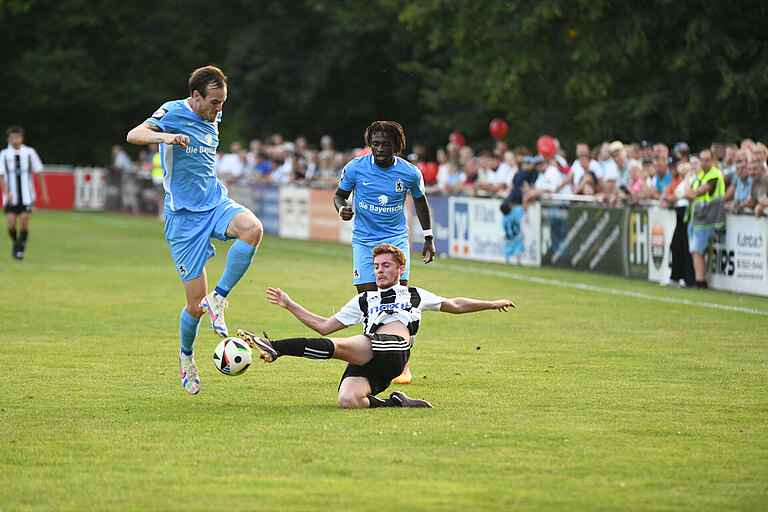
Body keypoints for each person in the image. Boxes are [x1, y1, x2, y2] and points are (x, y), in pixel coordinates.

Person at [236, 243, 514, 408]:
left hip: (394, 350)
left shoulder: (413, 294)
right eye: (377, 266)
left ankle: (275, 347)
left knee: (341, 346)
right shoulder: (364, 299)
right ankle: (396, 402)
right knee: (349, 399)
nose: (380, 270)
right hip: (370, 357)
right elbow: (324, 326)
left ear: (400, 269)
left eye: (386, 266)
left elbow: (454, 304)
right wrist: (290, 304)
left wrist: (491, 303)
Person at [126, 65, 264, 395]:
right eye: (214, 102)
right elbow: (134, 134)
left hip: (215, 204)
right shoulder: (173, 111)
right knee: (194, 307)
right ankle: (186, 358)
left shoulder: (214, 114)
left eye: (223, 102)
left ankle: (220, 297)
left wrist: (214, 110)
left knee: (252, 229)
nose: (219, 109)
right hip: (183, 219)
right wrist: (165, 137)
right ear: (196, 96)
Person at [333, 121, 435, 386]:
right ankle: (372, 356)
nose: (379, 149)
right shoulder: (355, 167)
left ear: (396, 146)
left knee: (398, 301)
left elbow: (420, 201)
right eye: (375, 144)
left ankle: (401, 362)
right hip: (364, 241)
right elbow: (339, 195)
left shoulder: (409, 172)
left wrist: (428, 237)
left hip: (395, 240)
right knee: (368, 301)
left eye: (386, 144)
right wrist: (342, 208)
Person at [1, 126, 49, 260]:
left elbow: (39, 172)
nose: (15, 140)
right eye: (12, 137)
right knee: (11, 225)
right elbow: (1, 175)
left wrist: (45, 193)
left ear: (22, 138)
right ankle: (16, 244)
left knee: (24, 221)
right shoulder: (4, 154)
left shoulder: (29, 153)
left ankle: (20, 250)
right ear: (8, 139)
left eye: (17, 137)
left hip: (27, 195)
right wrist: (6, 192)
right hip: (11, 196)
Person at [683, 149, 725, 289]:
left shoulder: (715, 175)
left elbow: (693, 193)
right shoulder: (700, 175)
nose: (704, 162)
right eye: (702, 159)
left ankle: (701, 281)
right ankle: (698, 279)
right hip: (696, 217)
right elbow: (688, 193)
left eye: (707, 160)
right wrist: (689, 189)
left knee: (697, 250)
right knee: (694, 250)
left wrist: (686, 181)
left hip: (707, 218)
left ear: (713, 160)